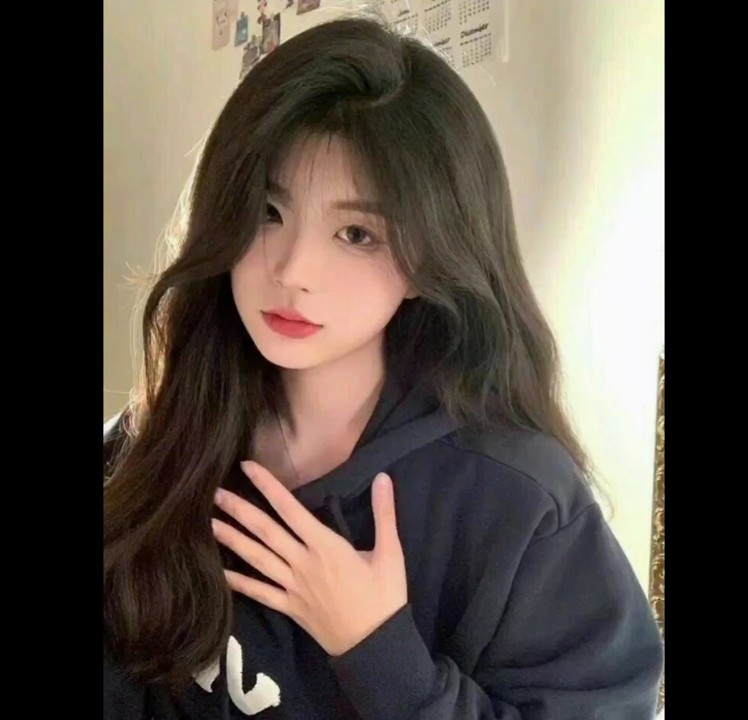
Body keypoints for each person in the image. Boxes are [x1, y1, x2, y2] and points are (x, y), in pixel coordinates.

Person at [104, 16, 663, 720]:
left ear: (433, 255)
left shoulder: (515, 502)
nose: (293, 270)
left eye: (356, 233)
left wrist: (379, 653)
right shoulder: (162, 433)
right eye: (268, 211)